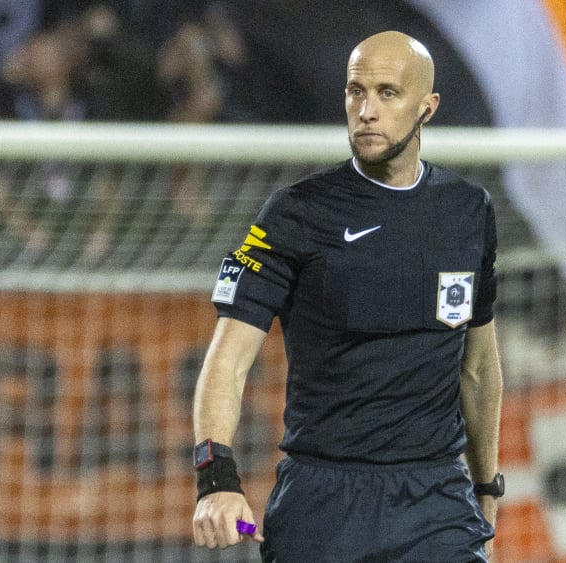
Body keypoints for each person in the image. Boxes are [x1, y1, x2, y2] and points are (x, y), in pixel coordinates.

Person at [191, 30, 504, 562]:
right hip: (323, 502)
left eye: (387, 93)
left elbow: (478, 369)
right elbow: (228, 360)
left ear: (427, 108)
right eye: (355, 91)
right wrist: (215, 478)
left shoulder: (468, 212)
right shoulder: (295, 214)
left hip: (436, 502)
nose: (366, 110)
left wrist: (486, 490)